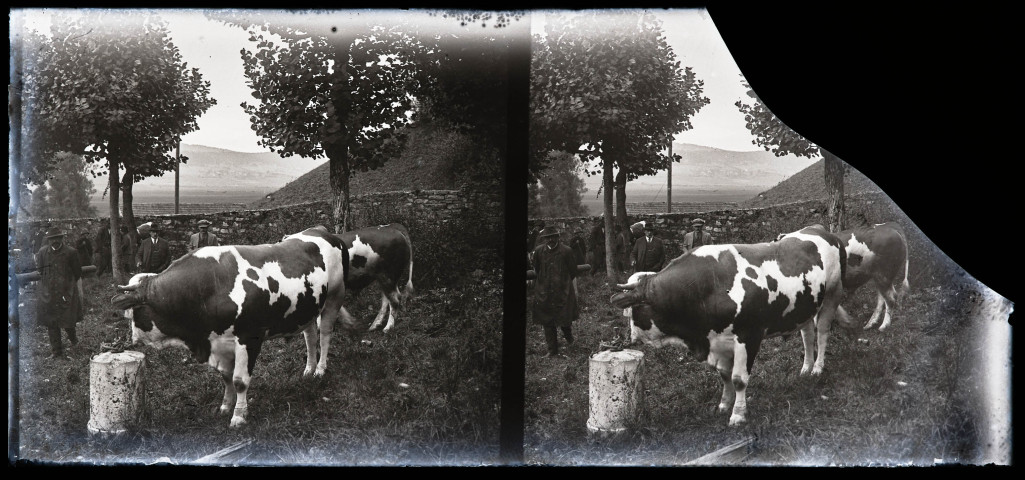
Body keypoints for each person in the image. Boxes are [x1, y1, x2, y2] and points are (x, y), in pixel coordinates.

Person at [34, 227, 83, 360]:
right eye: (52, 239)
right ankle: (56, 352)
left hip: (66, 293)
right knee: (52, 322)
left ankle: (74, 342)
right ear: (48, 240)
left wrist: (67, 288)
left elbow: (77, 273)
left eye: (57, 238)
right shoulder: (43, 252)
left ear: (62, 238)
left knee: (68, 321)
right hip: (49, 294)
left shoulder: (71, 252)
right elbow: (40, 271)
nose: (55, 241)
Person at [530, 227, 578, 359]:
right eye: (548, 237)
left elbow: (573, 271)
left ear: (558, 237)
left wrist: (563, 284)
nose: (550, 240)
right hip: (544, 292)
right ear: (544, 239)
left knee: (564, 319)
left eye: (553, 237)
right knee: (547, 320)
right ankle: (552, 350)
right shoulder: (539, 251)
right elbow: (537, 269)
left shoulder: (566, 251)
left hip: (562, 291)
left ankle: (569, 339)